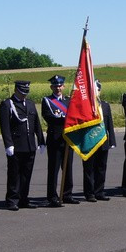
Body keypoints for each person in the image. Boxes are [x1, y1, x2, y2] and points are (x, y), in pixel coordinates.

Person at [0, 80, 45, 210]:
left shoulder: (30, 104)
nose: (25, 95)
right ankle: (12, 200)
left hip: (30, 145)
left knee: (26, 174)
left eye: (26, 92)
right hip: (16, 145)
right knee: (14, 174)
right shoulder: (7, 104)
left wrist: (41, 140)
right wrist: (8, 144)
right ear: (16, 90)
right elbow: (5, 126)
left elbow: (36, 123)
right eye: (22, 92)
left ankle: (24, 198)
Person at [41, 75, 78, 207]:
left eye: (60, 85)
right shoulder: (47, 101)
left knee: (68, 168)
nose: (58, 88)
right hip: (55, 139)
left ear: (63, 86)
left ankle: (67, 194)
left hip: (68, 139)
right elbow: (49, 117)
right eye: (55, 86)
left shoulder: (69, 101)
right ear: (51, 87)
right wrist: (65, 119)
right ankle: (52, 196)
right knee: (54, 169)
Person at [83, 81, 116, 202]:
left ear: (100, 91)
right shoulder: (86, 106)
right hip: (90, 141)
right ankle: (89, 193)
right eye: (93, 89)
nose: (95, 92)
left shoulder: (105, 105)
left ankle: (99, 191)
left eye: (97, 89)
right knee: (89, 169)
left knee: (101, 167)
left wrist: (111, 140)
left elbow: (110, 124)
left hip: (103, 141)